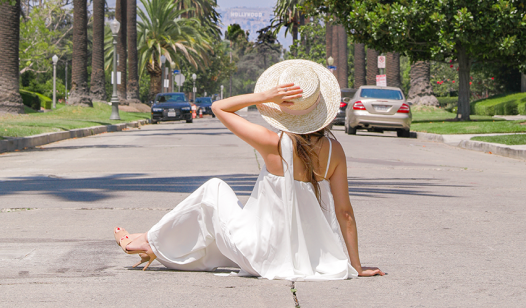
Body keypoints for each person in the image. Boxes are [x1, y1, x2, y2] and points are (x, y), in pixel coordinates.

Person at [114, 59, 384, 280]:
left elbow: (219, 107)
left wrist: (264, 96)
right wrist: (356, 266)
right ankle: (152, 240)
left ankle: (150, 241)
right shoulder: (334, 152)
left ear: (282, 109)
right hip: (299, 259)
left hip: (257, 254)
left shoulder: (273, 143)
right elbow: (345, 213)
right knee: (214, 211)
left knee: (214, 190)